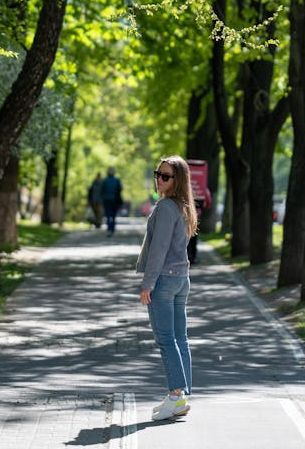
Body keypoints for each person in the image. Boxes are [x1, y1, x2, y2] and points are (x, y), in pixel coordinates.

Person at [136, 155, 198, 421]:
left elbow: (159, 250)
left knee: (166, 339)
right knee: (179, 337)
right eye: (157, 174)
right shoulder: (184, 207)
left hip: (164, 280)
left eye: (165, 176)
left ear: (177, 180)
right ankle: (182, 395)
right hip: (181, 279)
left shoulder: (165, 208)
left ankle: (175, 396)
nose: (159, 179)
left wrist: (147, 284)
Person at [187, 186, 212, 265]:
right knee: (193, 236)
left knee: (184, 236)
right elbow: (208, 202)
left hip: (183, 214)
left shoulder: (183, 183)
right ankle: (192, 257)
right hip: (195, 215)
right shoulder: (202, 186)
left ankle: (186, 256)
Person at [101, 166, 123, 236]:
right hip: (114, 199)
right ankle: (112, 229)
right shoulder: (117, 180)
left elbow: (102, 190)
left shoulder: (105, 180)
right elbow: (120, 189)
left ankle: (109, 229)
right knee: (113, 215)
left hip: (106, 199)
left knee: (108, 215)